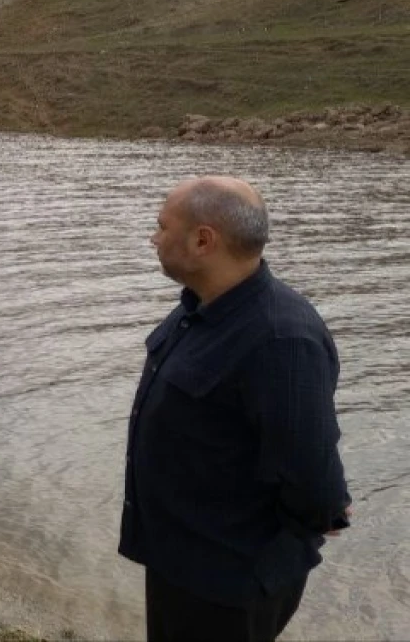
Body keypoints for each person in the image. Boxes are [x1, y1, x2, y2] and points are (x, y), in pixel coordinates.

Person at [119, 176, 351, 642]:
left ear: (204, 240)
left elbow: (311, 471)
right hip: (181, 561)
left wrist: (316, 518)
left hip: (230, 581)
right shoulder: (200, 307)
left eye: (162, 227)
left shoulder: (281, 338)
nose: (153, 238)